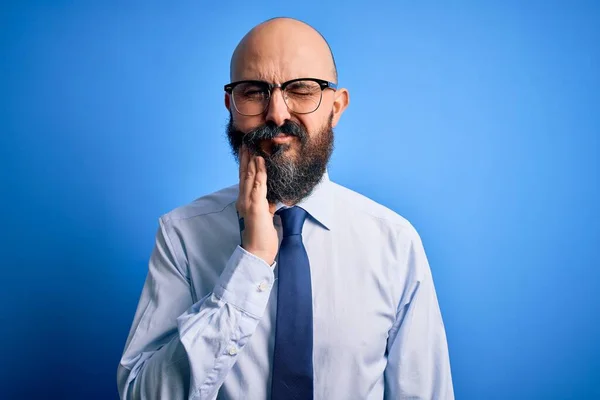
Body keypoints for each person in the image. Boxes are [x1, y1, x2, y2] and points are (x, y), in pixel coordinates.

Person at [117, 17, 454, 400]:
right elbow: (139, 394)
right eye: (254, 92)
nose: (277, 113)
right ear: (231, 105)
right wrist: (251, 260)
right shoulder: (182, 235)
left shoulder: (394, 244)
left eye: (302, 90)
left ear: (336, 106)